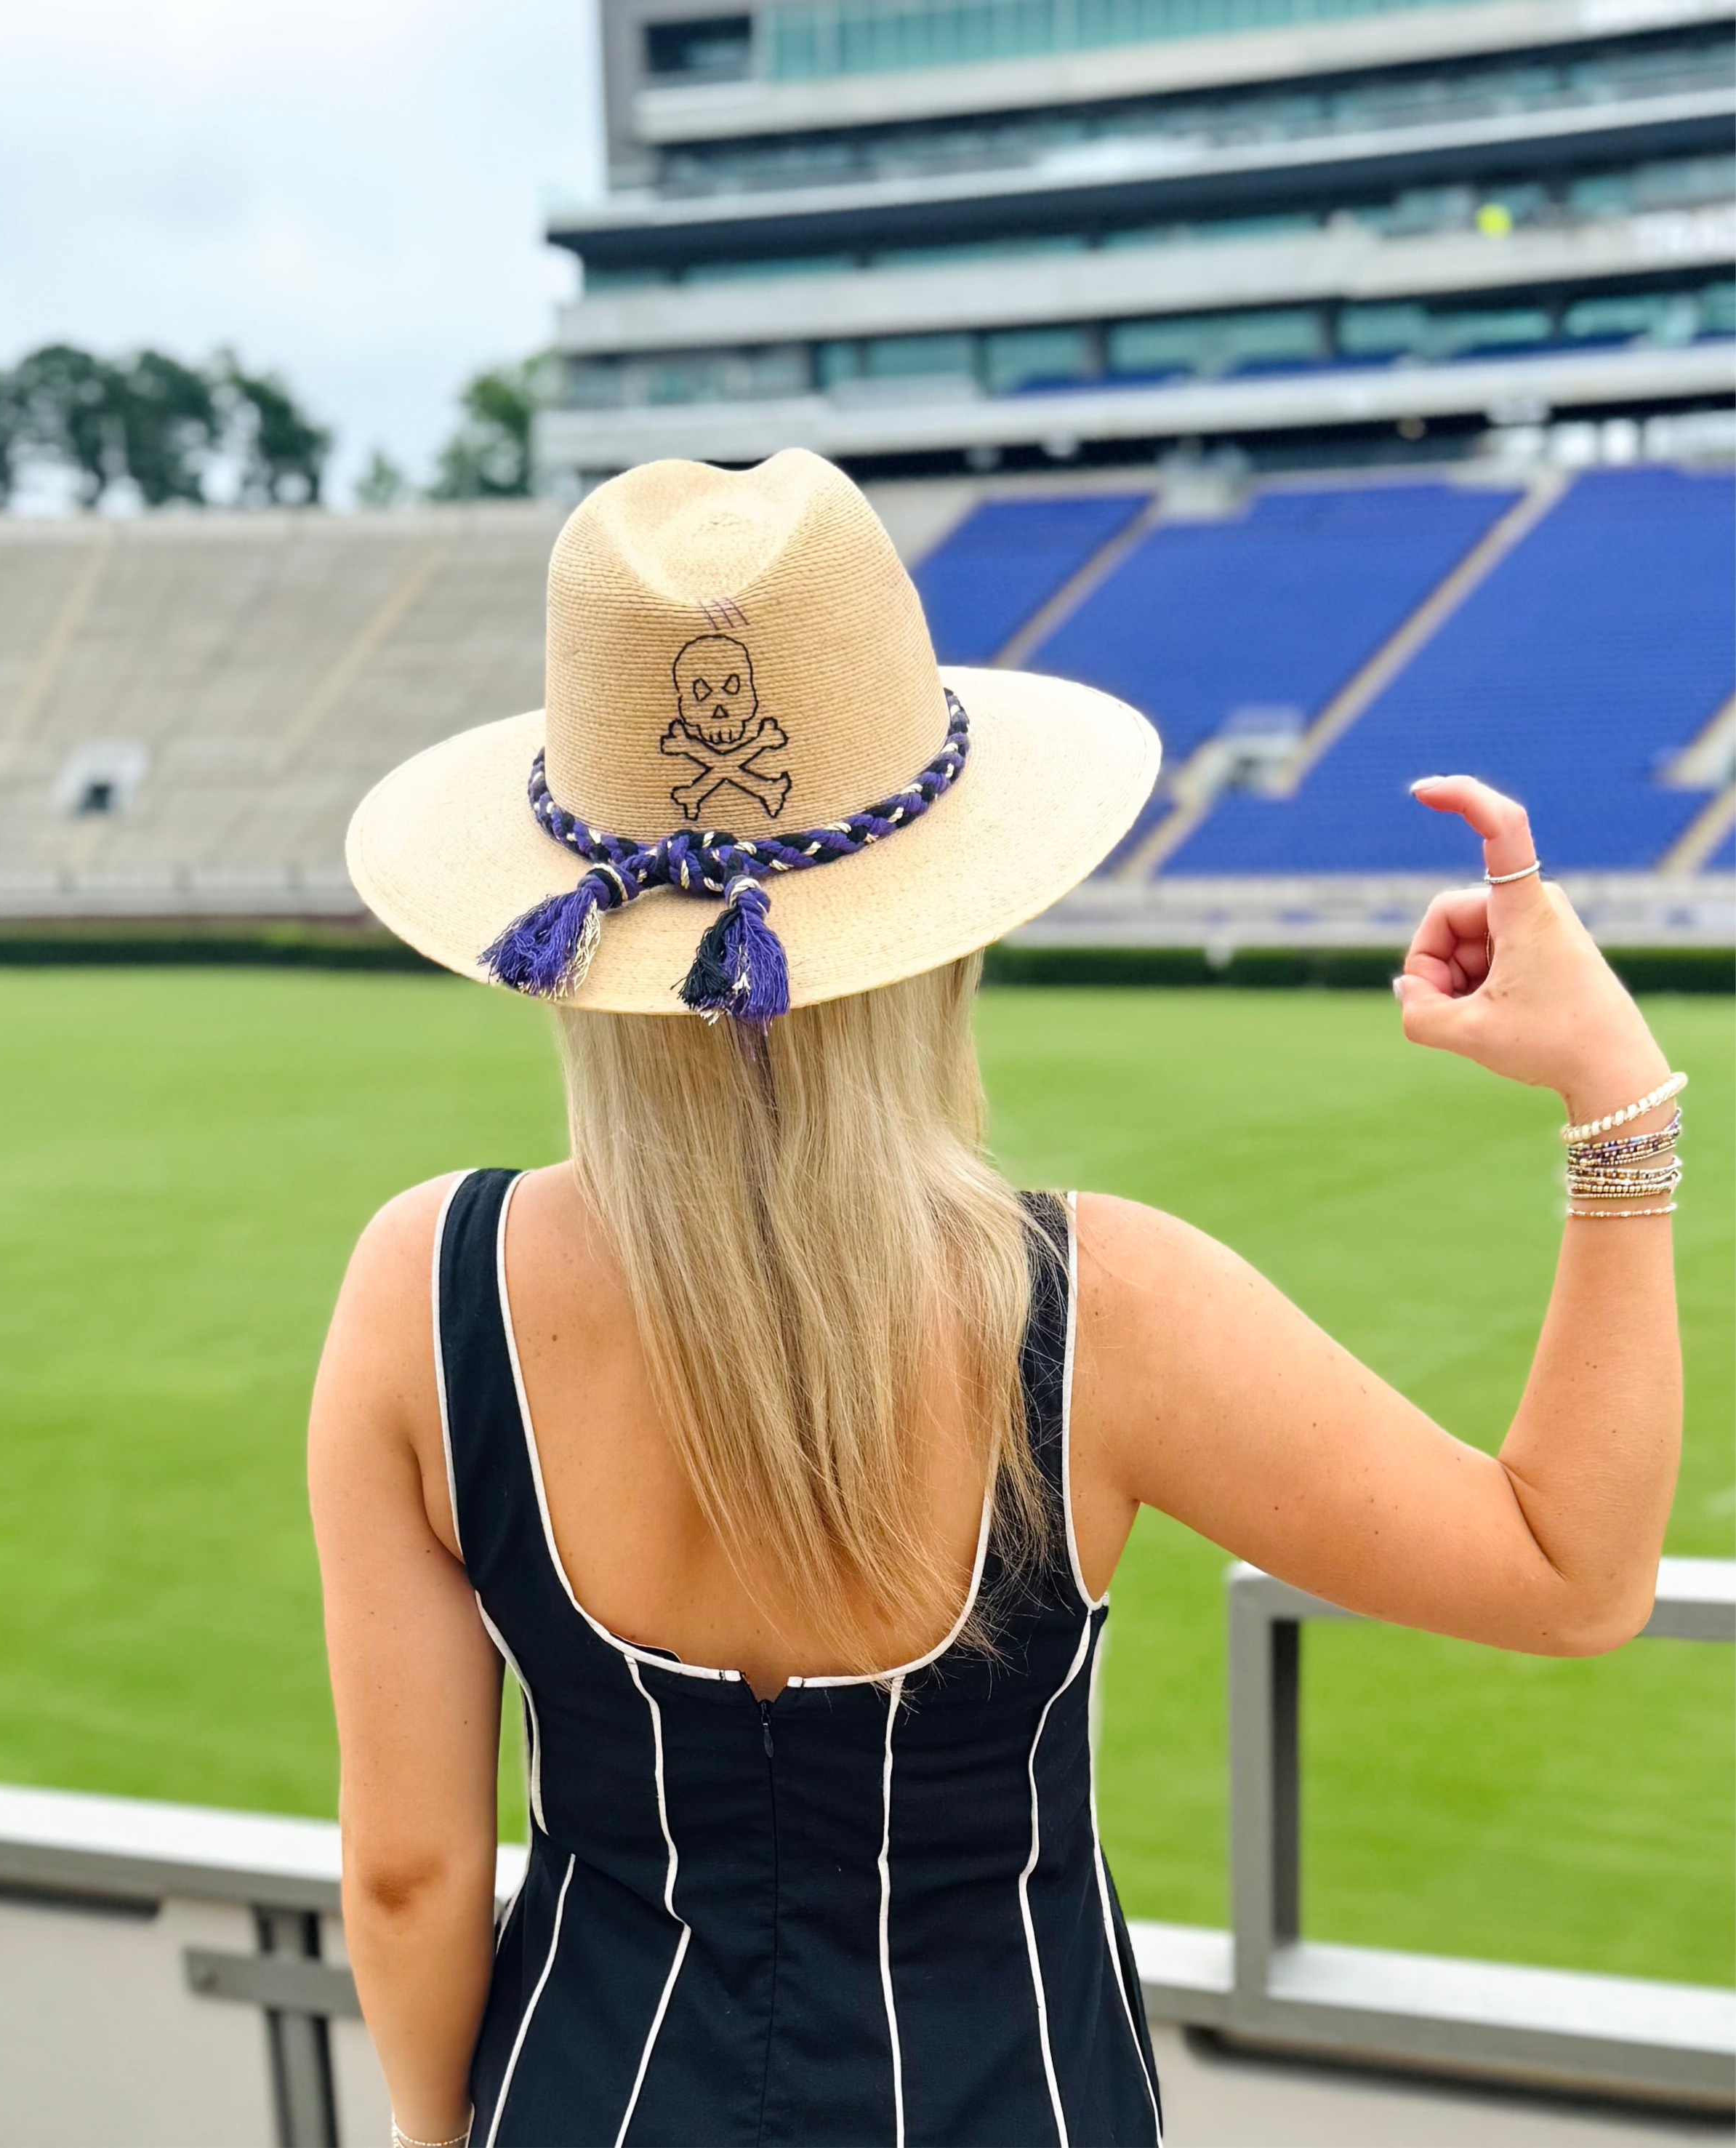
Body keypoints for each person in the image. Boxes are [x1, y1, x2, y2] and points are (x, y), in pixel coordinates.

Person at [310, 450, 1681, 2148]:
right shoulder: (1101, 1303)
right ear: (945, 924)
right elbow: (1572, 1573)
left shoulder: (421, 1287)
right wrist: (1619, 1109)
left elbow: (407, 1874)